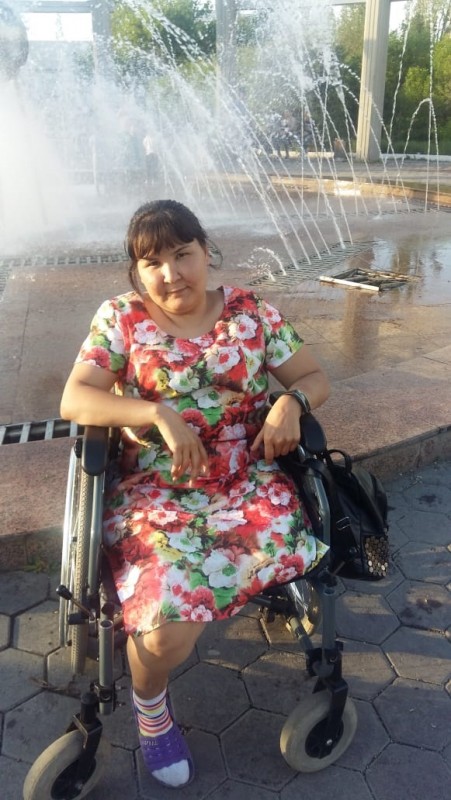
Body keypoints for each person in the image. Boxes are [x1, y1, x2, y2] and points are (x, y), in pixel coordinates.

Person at [60, 200, 330, 789]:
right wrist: (156, 413)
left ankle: (216, 599)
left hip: (248, 480)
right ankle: (151, 710)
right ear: (137, 270)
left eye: (182, 255)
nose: (171, 273)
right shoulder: (122, 318)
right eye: (152, 262)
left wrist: (291, 402)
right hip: (155, 491)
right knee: (164, 633)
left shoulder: (251, 312)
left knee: (289, 550)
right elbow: (76, 398)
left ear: (206, 251)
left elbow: (314, 377)